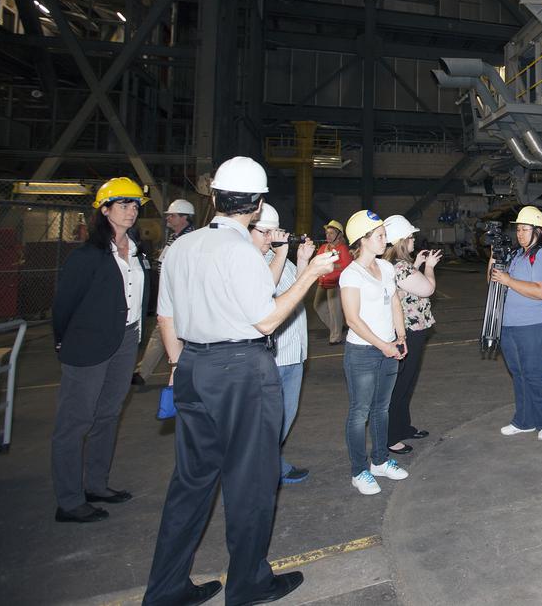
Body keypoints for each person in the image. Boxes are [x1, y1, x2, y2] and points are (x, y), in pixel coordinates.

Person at [142, 157, 336, 606]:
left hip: (192, 366)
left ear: (212, 198)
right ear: (257, 205)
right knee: (251, 481)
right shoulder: (241, 252)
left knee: (190, 483)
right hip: (242, 371)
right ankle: (248, 583)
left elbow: (165, 314)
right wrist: (308, 274)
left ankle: (166, 589)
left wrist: (179, 363)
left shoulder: (182, 248)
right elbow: (265, 319)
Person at [50, 177, 151, 523]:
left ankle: (96, 484)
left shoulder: (137, 252)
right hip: (88, 344)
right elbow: (63, 304)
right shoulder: (88, 256)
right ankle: (69, 500)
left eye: (135, 205)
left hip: (125, 341)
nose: (131, 211)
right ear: (104, 210)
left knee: (108, 415)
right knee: (75, 421)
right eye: (123, 205)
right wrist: (62, 340)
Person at [339, 209, 409, 495]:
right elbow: (352, 319)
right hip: (363, 352)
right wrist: (384, 346)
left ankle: (380, 460)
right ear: (363, 240)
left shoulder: (387, 268)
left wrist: (401, 336)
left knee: (382, 408)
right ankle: (359, 471)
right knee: (360, 412)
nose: (385, 240)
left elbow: (394, 302)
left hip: (389, 347)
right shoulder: (350, 275)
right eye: (380, 236)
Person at [249, 203, 313, 485]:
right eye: (264, 233)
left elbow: (295, 294)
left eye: (273, 233)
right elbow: (266, 300)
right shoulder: (250, 263)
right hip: (272, 357)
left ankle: (271, 463)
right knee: (268, 420)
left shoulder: (280, 259)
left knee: (285, 415)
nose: (270, 239)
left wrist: (301, 260)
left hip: (294, 350)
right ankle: (262, 469)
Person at [488, 205, 542, 441]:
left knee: (533, 373)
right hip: (510, 324)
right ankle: (524, 421)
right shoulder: (517, 255)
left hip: (535, 324)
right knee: (518, 373)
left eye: (524, 229)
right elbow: (492, 281)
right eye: (517, 229)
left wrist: (508, 280)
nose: (519, 234)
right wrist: (493, 258)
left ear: (538, 231)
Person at [381, 215, 441, 454]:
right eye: (410, 237)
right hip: (408, 332)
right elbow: (427, 288)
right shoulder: (400, 266)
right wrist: (429, 267)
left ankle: (403, 427)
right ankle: (391, 436)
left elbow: (403, 286)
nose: (414, 239)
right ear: (401, 241)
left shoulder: (395, 264)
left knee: (406, 382)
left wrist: (416, 264)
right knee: (401, 383)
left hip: (408, 330)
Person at [132, 198, 196, 386]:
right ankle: (143, 373)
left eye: (172, 215)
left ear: (184, 218)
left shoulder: (187, 239)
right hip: (169, 293)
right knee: (162, 333)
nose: (168, 218)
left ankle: (145, 373)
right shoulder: (174, 237)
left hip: (178, 295)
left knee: (165, 331)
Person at [314, 219, 352, 344]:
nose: (328, 235)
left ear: (338, 234)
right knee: (318, 306)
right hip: (323, 282)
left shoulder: (343, 249)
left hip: (335, 283)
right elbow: (317, 260)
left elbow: (347, 265)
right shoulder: (324, 247)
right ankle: (338, 327)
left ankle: (335, 337)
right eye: (327, 233)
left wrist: (332, 266)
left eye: (331, 233)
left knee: (334, 310)